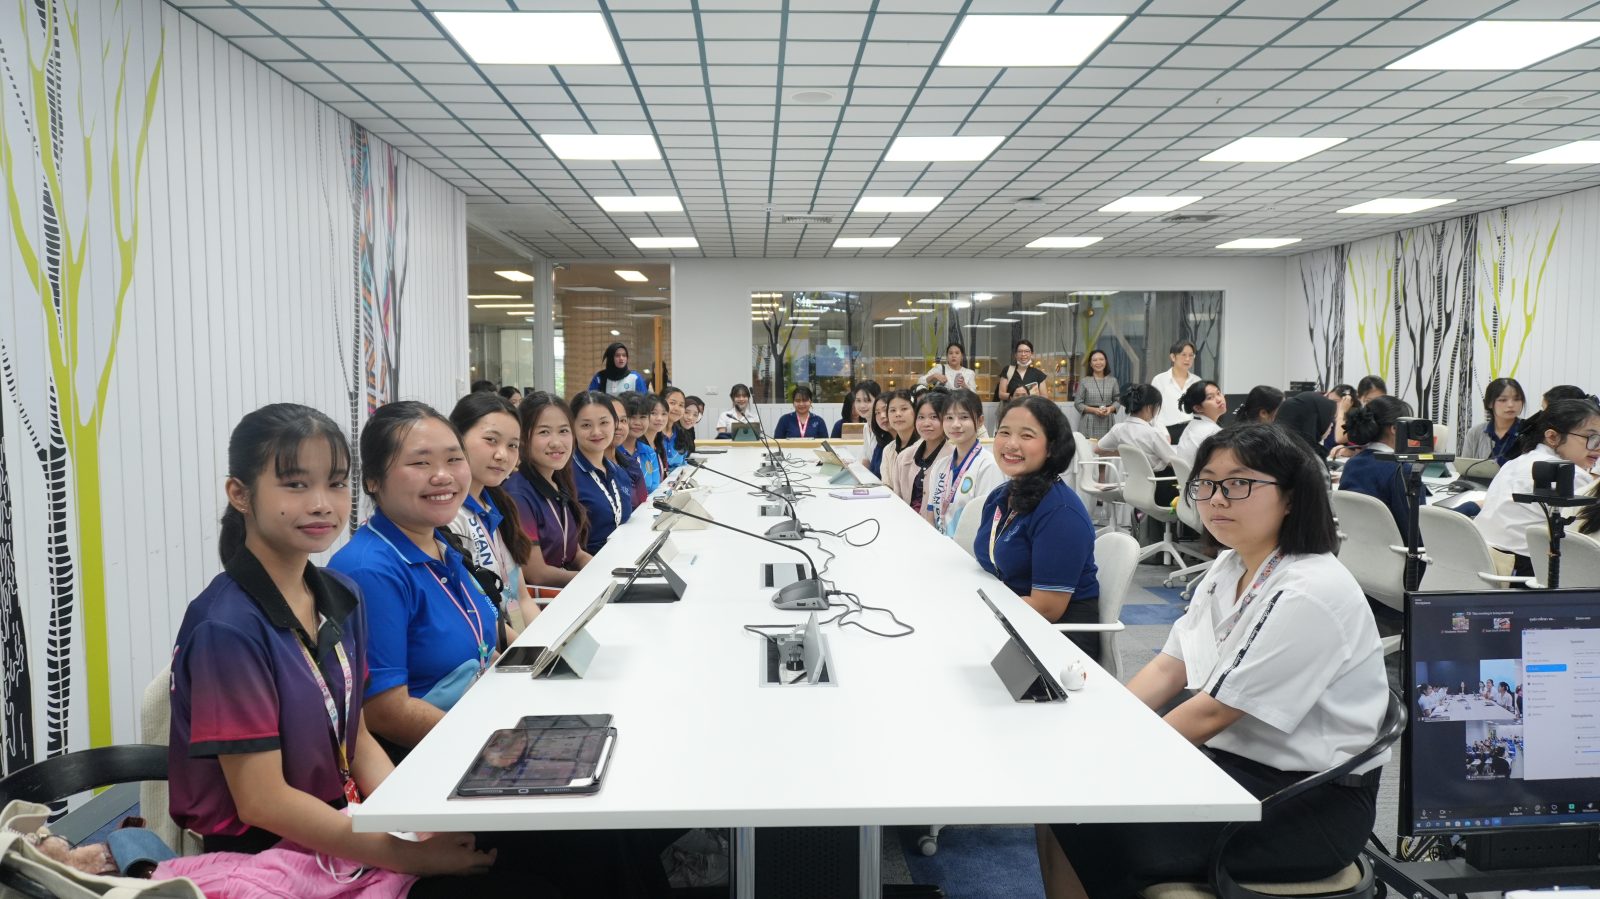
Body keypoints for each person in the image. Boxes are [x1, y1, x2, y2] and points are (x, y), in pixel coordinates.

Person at [168, 403, 518, 894]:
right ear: (240, 494)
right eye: (295, 484)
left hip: (347, 827)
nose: (321, 504)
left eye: (334, 484)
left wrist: (413, 822)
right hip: (271, 859)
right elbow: (262, 802)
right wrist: (410, 854)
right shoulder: (226, 628)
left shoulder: (338, 594)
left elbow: (358, 736)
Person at [1046, 423, 1387, 898]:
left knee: (1088, 815)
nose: (1216, 499)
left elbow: (1213, 713)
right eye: (1206, 484)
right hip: (1233, 761)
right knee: (1067, 799)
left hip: (1304, 801)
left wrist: (1112, 752)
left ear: (1292, 497)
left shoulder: (1311, 590)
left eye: (1238, 484)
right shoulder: (1232, 563)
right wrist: (1104, 726)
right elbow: (1170, 666)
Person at [329, 402, 509, 755]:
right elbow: (385, 712)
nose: (442, 475)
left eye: (454, 459)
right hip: (431, 759)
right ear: (373, 479)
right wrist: (490, 746)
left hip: (480, 728)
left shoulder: (441, 542)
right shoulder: (369, 570)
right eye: (420, 463)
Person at [975, 397, 1100, 661]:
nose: (1011, 444)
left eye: (1027, 435)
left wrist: (976, 616)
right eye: (1004, 432)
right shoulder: (1001, 496)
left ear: (1051, 447)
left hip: (1057, 644)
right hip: (1013, 621)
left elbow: (1047, 609)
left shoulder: (1060, 512)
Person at [1475, 398, 1600, 574]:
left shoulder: (1516, 462)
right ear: (1553, 437)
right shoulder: (1571, 476)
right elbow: (1585, 543)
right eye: (1592, 438)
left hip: (1486, 562)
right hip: (1528, 571)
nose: (1598, 447)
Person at [445, 393, 533, 625]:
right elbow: (473, 614)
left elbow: (522, 598)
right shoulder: (448, 516)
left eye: (512, 445)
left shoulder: (499, 505)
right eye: (491, 440)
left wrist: (546, 642)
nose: (502, 455)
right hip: (488, 641)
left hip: (516, 634)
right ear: (457, 437)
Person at [503, 391, 592, 592]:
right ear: (522, 438)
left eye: (563, 431)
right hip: (545, 601)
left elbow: (575, 554)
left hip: (569, 591)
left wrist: (602, 569)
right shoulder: (518, 495)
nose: (556, 442)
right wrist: (593, 580)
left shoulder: (558, 482)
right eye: (544, 432)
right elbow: (537, 574)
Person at [1338, 396, 1426, 535]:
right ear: (1395, 429)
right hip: (1397, 547)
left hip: (1356, 545)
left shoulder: (1352, 463)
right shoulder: (1402, 471)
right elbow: (1418, 531)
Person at [927, 389, 1007, 538]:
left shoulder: (989, 466)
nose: (955, 424)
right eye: (949, 418)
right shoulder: (940, 466)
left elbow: (988, 523)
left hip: (970, 549)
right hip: (940, 545)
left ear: (980, 421)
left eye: (964, 417)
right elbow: (930, 515)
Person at [567, 391, 635, 552]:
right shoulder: (566, 476)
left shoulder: (619, 473)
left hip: (623, 557)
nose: (596, 432)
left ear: (615, 423)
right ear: (572, 427)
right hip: (589, 563)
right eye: (586, 425)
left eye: (604, 423)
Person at [1098, 384, 1181, 504]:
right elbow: (1174, 462)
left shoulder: (1118, 429)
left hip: (1135, 485)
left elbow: (1097, 449)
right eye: (1157, 407)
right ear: (1149, 407)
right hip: (1160, 487)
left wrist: (1123, 453)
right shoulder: (1153, 433)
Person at [886, 390, 953, 512]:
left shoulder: (954, 458)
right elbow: (898, 499)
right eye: (921, 417)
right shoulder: (904, 457)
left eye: (934, 417)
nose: (926, 423)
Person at [1461, 378, 1525, 465]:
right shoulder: (1475, 433)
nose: (1511, 405)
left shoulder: (1530, 431)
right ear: (1490, 403)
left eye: (1516, 399)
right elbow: (1464, 467)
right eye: (1503, 400)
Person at [606, 394, 646, 510]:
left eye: (623, 420)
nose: (618, 426)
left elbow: (643, 501)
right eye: (609, 421)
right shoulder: (578, 471)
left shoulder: (631, 465)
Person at [619, 393, 664, 494]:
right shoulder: (612, 453)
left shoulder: (649, 452)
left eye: (643, 417)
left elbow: (655, 489)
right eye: (631, 417)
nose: (637, 423)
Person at [1176, 379, 1226, 467]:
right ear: (1198, 408)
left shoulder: (1193, 425)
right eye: (1210, 398)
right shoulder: (1213, 432)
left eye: (1218, 393)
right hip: (1202, 475)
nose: (1219, 399)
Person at [1151, 339, 1199, 429]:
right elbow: (1153, 411)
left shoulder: (1197, 381)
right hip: (1165, 430)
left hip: (1191, 430)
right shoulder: (1159, 380)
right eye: (1183, 355)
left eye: (1191, 355)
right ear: (1173, 357)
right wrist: (1162, 432)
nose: (1188, 359)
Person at [1074, 349, 1120, 441]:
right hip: (1089, 421)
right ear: (1091, 364)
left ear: (1105, 362)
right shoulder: (1084, 381)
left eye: (1101, 359)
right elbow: (1078, 403)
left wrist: (1110, 409)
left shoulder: (1113, 381)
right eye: (1095, 360)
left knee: (1107, 448)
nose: (1098, 362)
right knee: (1089, 448)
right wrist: (1094, 410)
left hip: (1107, 420)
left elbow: (1118, 400)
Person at [1276, 391, 1337, 458]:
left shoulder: (1278, 447)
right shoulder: (1307, 458)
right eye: (1329, 419)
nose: (1332, 424)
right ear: (1315, 421)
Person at [832, 380, 881, 445]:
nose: (862, 406)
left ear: (878, 400)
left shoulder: (883, 427)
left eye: (867, 400)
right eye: (858, 400)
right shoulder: (866, 428)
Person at [660, 386, 690, 470]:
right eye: (672, 403)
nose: (677, 408)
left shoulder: (681, 434)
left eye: (681, 405)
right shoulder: (653, 434)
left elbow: (683, 464)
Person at [867, 394, 896, 477]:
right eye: (877, 413)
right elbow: (872, 473)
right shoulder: (881, 442)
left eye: (885, 410)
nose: (882, 416)